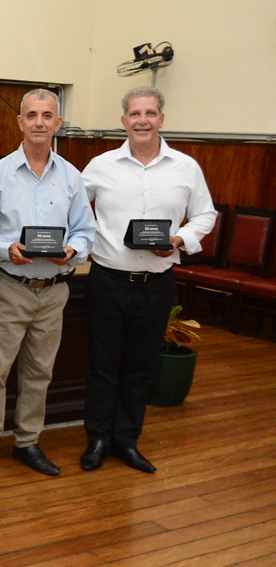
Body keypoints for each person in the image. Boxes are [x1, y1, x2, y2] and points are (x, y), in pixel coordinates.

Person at [80, 86, 216, 474]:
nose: (143, 120)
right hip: (108, 281)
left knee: (140, 367)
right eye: (135, 114)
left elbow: (206, 214)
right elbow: (71, 207)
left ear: (161, 118)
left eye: (150, 113)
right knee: (103, 366)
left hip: (156, 283)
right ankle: (98, 439)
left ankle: (126, 441)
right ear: (123, 121)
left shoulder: (185, 167)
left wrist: (179, 239)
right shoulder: (100, 165)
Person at [0, 89, 96, 481]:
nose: (39, 122)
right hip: (9, 286)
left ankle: (27, 442)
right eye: (32, 115)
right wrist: (6, 248)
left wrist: (72, 251)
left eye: (47, 115)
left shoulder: (72, 176)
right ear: (20, 122)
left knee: (40, 373)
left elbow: (85, 231)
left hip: (55, 290)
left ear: (58, 124)